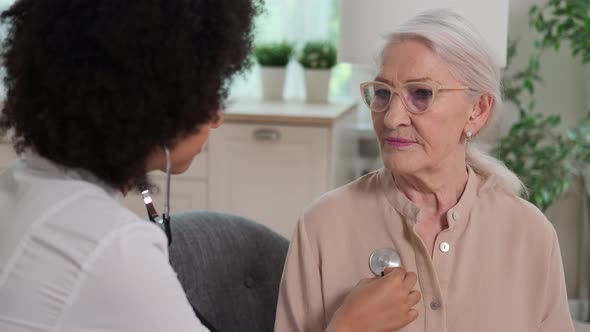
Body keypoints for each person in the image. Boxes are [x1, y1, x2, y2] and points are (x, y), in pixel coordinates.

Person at [0, 1, 426, 331]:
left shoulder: (22, 188)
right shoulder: (108, 247)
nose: (218, 113)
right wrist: (350, 325)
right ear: (151, 102)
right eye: (207, 90)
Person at [275, 9, 575, 332]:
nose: (391, 119)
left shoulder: (532, 237)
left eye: (420, 94)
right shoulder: (322, 228)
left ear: (477, 110)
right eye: (382, 93)